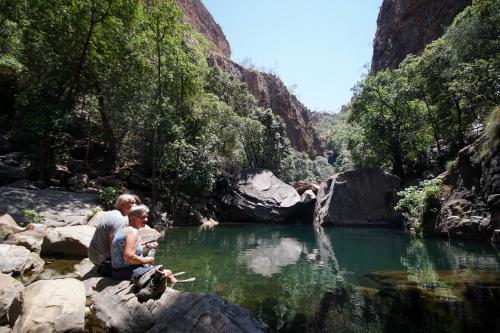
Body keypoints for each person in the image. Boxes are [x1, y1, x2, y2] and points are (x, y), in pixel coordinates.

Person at [111, 204, 176, 302]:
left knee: (166, 273)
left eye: (146, 217)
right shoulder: (133, 232)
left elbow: (133, 250)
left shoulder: (125, 229)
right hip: (126, 271)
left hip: (118, 270)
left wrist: (148, 246)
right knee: (167, 273)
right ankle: (157, 289)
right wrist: (145, 260)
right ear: (133, 218)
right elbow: (128, 256)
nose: (146, 219)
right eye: (143, 217)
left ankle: (168, 283)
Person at [88, 193, 137, 275]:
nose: (135, 205)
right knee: (138, 263)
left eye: (135, 202)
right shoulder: (120, 220)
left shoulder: (109, 213)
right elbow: (114, 245)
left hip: (92, 255)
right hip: (102, 260)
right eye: (132, 203)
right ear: (122, 205)